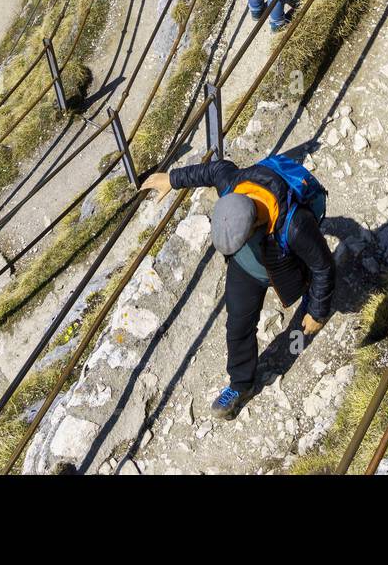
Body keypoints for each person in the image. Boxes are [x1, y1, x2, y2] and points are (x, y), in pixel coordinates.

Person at [141, 154, 335, 419]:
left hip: (287, 268)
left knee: (304, 320)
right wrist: (172, 179)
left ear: (255, 222)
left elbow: (323, 266)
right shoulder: (232, 184)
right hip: (246, 269)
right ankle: (240, 385)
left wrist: (318, 310)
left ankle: (296, 346)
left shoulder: (296, 226)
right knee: (237, 326)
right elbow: (211, 170)